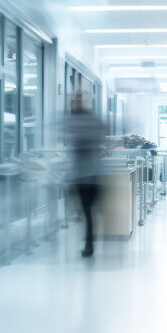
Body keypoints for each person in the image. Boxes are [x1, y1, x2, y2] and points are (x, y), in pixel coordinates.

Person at [67, 94, 105, 257]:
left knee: (88, 211)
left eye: (76, 101)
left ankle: (89, 243)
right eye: (72, 101)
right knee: (87, 212)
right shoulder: (80, 121)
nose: (74, 104)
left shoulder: (88, 121)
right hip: (80, 175)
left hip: (91, 176)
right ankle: (89, 242)